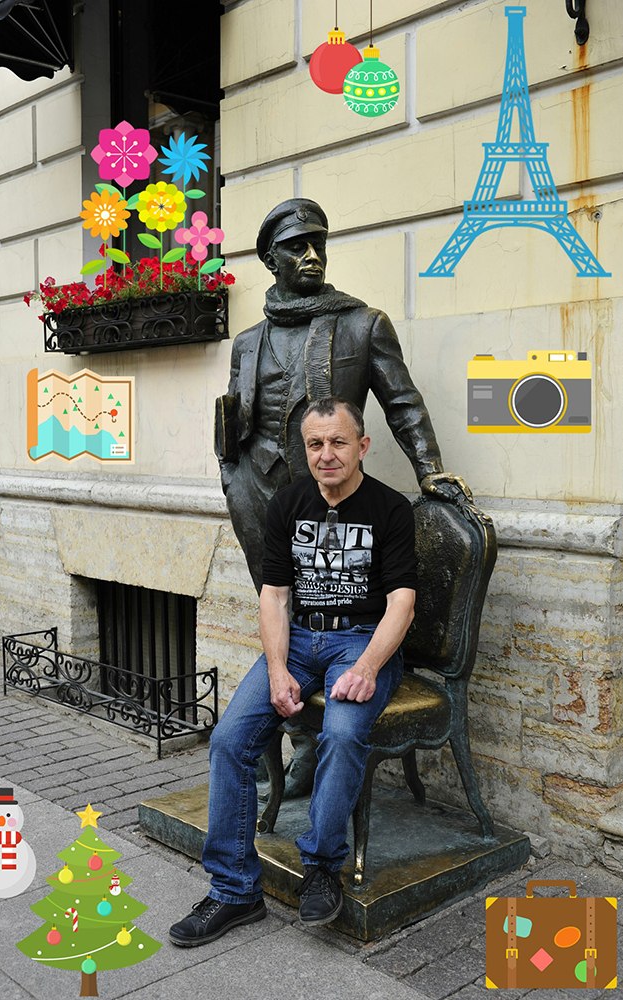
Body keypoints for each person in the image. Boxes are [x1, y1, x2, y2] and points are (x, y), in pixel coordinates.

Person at [214, 198, 469, 797]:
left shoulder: (362, 324)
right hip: (257, 493)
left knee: (328, 612)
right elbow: (235, 420)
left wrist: (429, 470)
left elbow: (403, 403)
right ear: (271, 259)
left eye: (318, 244)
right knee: (279, 614)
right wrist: (231, 478)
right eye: (296, 246)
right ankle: (291, 736)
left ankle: (314, 748)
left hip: (328, 497)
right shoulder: (247, 342)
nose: (311, 255)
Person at [170, 398, 417, 947]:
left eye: (338, 442)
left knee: (344, 733)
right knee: (230, 741)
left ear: (362, 446)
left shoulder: (391, 509)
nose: (327, 454)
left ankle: (323, 868)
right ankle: (234, 891)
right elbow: (275, 595)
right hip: (299, 641)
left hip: (361, 641)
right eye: (315, 444)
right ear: (305, 451)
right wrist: (279, 670)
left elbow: (402, 602)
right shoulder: (288, 502)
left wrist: (369, 666)